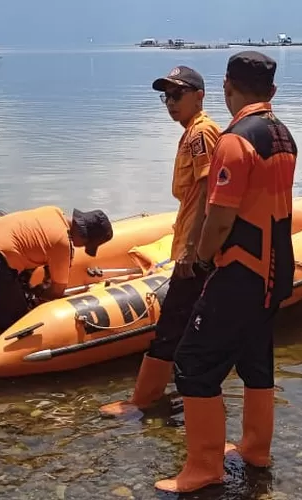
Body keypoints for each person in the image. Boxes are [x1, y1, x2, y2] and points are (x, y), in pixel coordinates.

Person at [154, 51, 298, 493]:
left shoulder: (235, 140)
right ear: (271, 92)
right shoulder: (284, 135)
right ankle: (255, 448)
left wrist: (200, 258)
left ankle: (203, 468)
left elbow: (219, 217)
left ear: (225, 87)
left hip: (241, 270)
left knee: (194, 364)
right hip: (278, 269)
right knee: (256, 360)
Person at [99, 65, 221, 418]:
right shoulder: (193, 132)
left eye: (177, 95)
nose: (170, 102)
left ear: (199, 95)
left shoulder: (201, 134)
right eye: (166, 96)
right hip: (192, 243)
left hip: (195, 251)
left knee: (171, 324)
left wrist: (188, 248)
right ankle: (175, 396)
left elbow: (205, 191)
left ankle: (144, 400)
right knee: (180, 323)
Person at [0, 206, 113, 335]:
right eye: (86, 245)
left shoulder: (53, 211)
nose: (81, 247)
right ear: (84, 237)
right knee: (19, 324)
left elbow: (33, 241)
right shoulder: (62, 244)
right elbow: (56, 292)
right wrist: (38, 295)